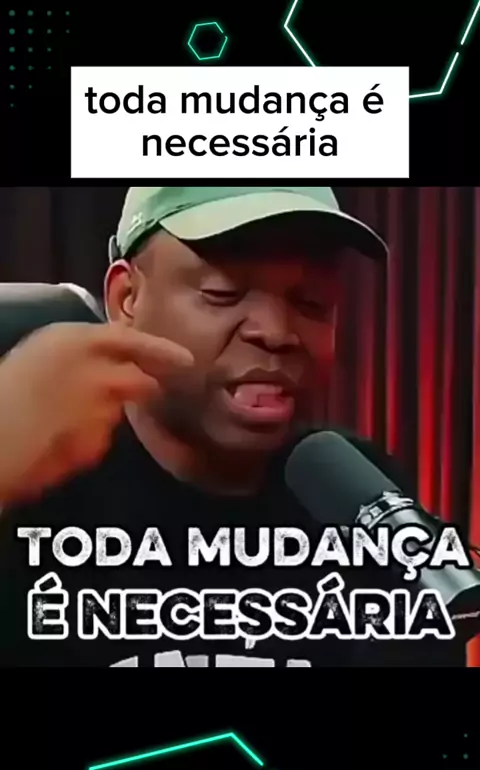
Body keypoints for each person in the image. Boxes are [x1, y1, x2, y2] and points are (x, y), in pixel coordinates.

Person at [0, 186, 466, 667]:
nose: (276, 332)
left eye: (312, 302)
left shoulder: (359, 494)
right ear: (127, 298)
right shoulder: (32, 473)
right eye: (222, 293)